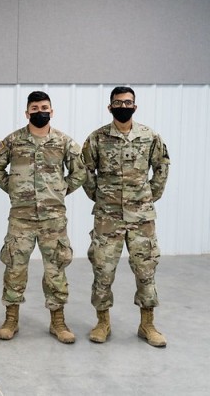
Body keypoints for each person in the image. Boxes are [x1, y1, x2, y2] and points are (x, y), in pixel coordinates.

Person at [0, 91, 86, 344]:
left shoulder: (64, 142)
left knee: (56, 269)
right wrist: (13, 189)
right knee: (14, 268)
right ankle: (11, 319)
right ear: (27, 113)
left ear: (51, 112)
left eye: (44, 107)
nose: (39, 111)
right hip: (21, 218)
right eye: (34, 108)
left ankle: (58, 321)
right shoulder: (13, 141)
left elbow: (80, 172)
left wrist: (60, 191)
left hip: (53, 219)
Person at [82, 86, 170, 347]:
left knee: (146, 270)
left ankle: (147, 324)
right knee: (103, 269)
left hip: (141, 218)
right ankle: (102, 322)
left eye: (128, 102)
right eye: (118, 103)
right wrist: (101, 197)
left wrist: (148, 196)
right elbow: (86, 172)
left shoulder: (149, 136)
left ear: (135, 106)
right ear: (110, 107)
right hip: (107, 217)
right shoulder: (97, 138)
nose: (123, 106)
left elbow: (162, 167)